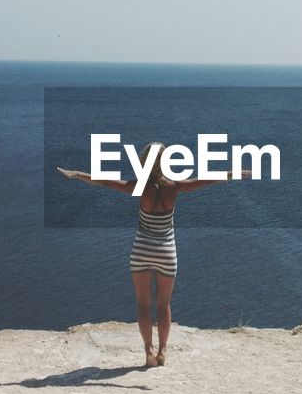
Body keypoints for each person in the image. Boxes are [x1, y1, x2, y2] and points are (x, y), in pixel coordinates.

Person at [56, 142, 251, 367]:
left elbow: (103, 181)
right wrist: (234, 172)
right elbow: (207, 179)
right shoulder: (175, 186)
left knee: (142, 303)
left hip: (141, 250)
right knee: (163, 304)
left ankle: (148, 352)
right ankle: (163, 350)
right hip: (167, 252)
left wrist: (76, 174)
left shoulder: (138, 187)